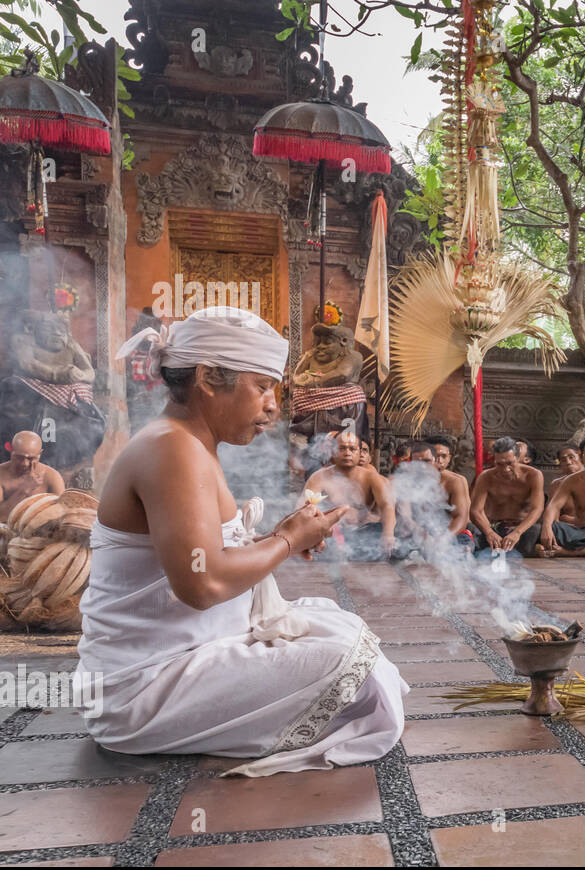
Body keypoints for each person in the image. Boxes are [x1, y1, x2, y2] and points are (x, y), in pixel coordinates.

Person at [75, 305, 407, 777]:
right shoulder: (172, 448)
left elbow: (207, 556)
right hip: (143, 686)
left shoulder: (189, 444)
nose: (274, 405)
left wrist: (278, 536)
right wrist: (288, 541)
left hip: (187, 654)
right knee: (346, 663)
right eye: (263, 386)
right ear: (209, 378)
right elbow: (203, 583)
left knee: (339, 627)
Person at [302, 430, 396, 560]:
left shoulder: (372, 477)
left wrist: (388, 534)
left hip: (363, 535)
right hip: (329, 537)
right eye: (342, 448)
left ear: (359, 452)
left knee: (382, 532)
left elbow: (387, 506)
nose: (347, 453)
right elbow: (302, 507)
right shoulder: (319, 477)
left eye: (352, 449)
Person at [395, 438, 474, 556]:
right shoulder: (406, 481)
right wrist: (423, 536)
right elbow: (405, 517)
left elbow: (460, 518)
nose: (439, 461)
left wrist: (443, 540)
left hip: (448, 533)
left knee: (460, 547)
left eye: (443, 457)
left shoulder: (454, 482)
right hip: (417, 533)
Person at [469, 436, 545, 556]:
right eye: (500, 464)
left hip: (522, 528)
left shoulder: (533, 475)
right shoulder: (486, 477)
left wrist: (517, 532)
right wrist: (489, 532)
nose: (506, 469)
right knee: (472, 530)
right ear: (494, 460)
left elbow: (537, 508)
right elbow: (475, 511)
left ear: (517, 457)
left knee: (536, 530)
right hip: (494, 526)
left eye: (510, 463)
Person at [0, 430, 65, 522]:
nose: (25, 463)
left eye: (31, 458)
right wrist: (24, 490)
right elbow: (1, 517)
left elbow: (62, 516)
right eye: (19, 457)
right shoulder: (1, 474)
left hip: (40, 533)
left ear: (40, 454)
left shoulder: (52, 477)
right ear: (11, 452)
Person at [548, 442, 582, 523]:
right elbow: (553, 518)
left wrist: (571, 519)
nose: (568, 462)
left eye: (571, 457)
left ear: (581, 457)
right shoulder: (556, 485)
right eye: (563, 460)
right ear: (560, 465)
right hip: (567, 530)